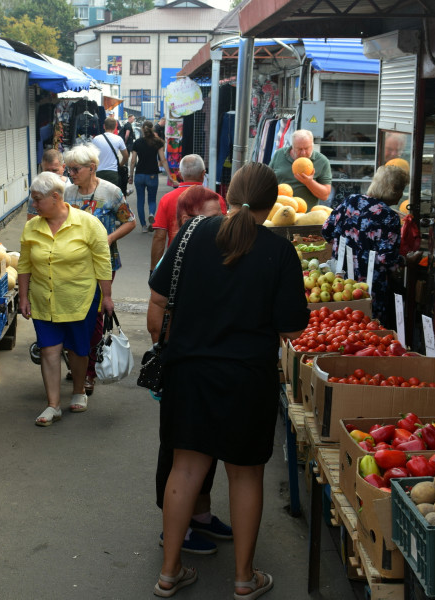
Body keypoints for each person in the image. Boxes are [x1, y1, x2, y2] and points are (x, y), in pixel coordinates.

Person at [147, 162, 308, 598]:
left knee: (185, 468)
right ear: (272, 205)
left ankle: (169, 573)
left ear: (229, 192)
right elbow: (293, 329)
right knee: (245, 476)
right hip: (247, 379)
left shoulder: (191, 235)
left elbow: (158, 298)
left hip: (189, 372)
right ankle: (243, 579)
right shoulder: (280, 252)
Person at [154, 184, 232, 558]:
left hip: (207, 364)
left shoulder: (223, 250)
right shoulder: (181, 250)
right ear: (187, 218)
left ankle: (200, 515)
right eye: (211, 216)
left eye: (222, 215)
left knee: (205, 447)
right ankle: (176, 533)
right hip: (183, 364)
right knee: (177, 451)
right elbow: (157, 312)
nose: (221, 224)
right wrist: (168, 350)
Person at [18, 172, 114, 426]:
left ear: (56, 197)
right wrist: (23, 296)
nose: (34, 205)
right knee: (49, 349)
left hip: (79, 299)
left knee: (78, 349)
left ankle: (80, 390)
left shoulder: (88, 224)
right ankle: (53, 405)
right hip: (43, 298)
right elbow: (24, 264)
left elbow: (103, 262)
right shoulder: (32, 226)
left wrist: (107, 296)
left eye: (37, 200)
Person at [64, 144, 135, 397]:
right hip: (70, 266)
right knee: (71, 314)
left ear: (92, 168)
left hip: (102, 265)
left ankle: (89, 373)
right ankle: (77, 362)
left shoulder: (111, 192)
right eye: (68, 169)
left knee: (93, 317)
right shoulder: (66, 193)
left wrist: (109, 238)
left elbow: (130, 222)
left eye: (75, 169)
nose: (71, 173)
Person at [322, 165, 407, 321]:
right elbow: (386, 259)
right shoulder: (390, 217)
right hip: (369, 287)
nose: (402, 195)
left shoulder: (351, 201)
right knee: (367, 329)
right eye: (402, 189)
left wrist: (344, 248)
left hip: (339, 280)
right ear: (394, 190)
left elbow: (327, 230)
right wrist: (406, 261)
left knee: (339, 325)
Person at [150, 155, 226, 272]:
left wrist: (154, 271)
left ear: (180, 174)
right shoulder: (216, 199)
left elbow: (159, 237)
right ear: (203, 173)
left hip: (176, 262)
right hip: (208, 263)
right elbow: (223, 235)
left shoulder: (167, 199)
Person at [268, 129, 332, 209]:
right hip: (278, 212)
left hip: (305, 217)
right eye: (299, 149)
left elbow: (325, 195)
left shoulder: (322, 161)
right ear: (293, 146)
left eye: (306, 148)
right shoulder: (279, 154)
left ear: (312, 145)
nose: (303, 153)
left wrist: (309, 182)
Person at [129, 120, 174, 233]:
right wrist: (169, 175)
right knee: (152, 199)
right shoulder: (158, 142)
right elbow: (163, 160)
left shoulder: (137, 143)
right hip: (152, 175)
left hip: (139, 174)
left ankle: (144, 226)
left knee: (140, 200)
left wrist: (131, 175)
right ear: (152, 128)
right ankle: (151, 214)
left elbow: (133, 161)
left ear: (143, 130)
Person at [26, 149, 74, 221]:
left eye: (55, 170)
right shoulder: (37, 190)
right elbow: (31, 221)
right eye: (47, 171)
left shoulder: (72, 187)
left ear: (63, 167)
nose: (51, 175)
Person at [91, 117, 129, 186]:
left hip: (98, 173)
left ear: (104, 126)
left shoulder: (96, 139)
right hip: (113, 173)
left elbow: (90, 156)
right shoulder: (119, 139)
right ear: (115, 127)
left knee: (99, 195)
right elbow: (126, 156)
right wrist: (120, 165)